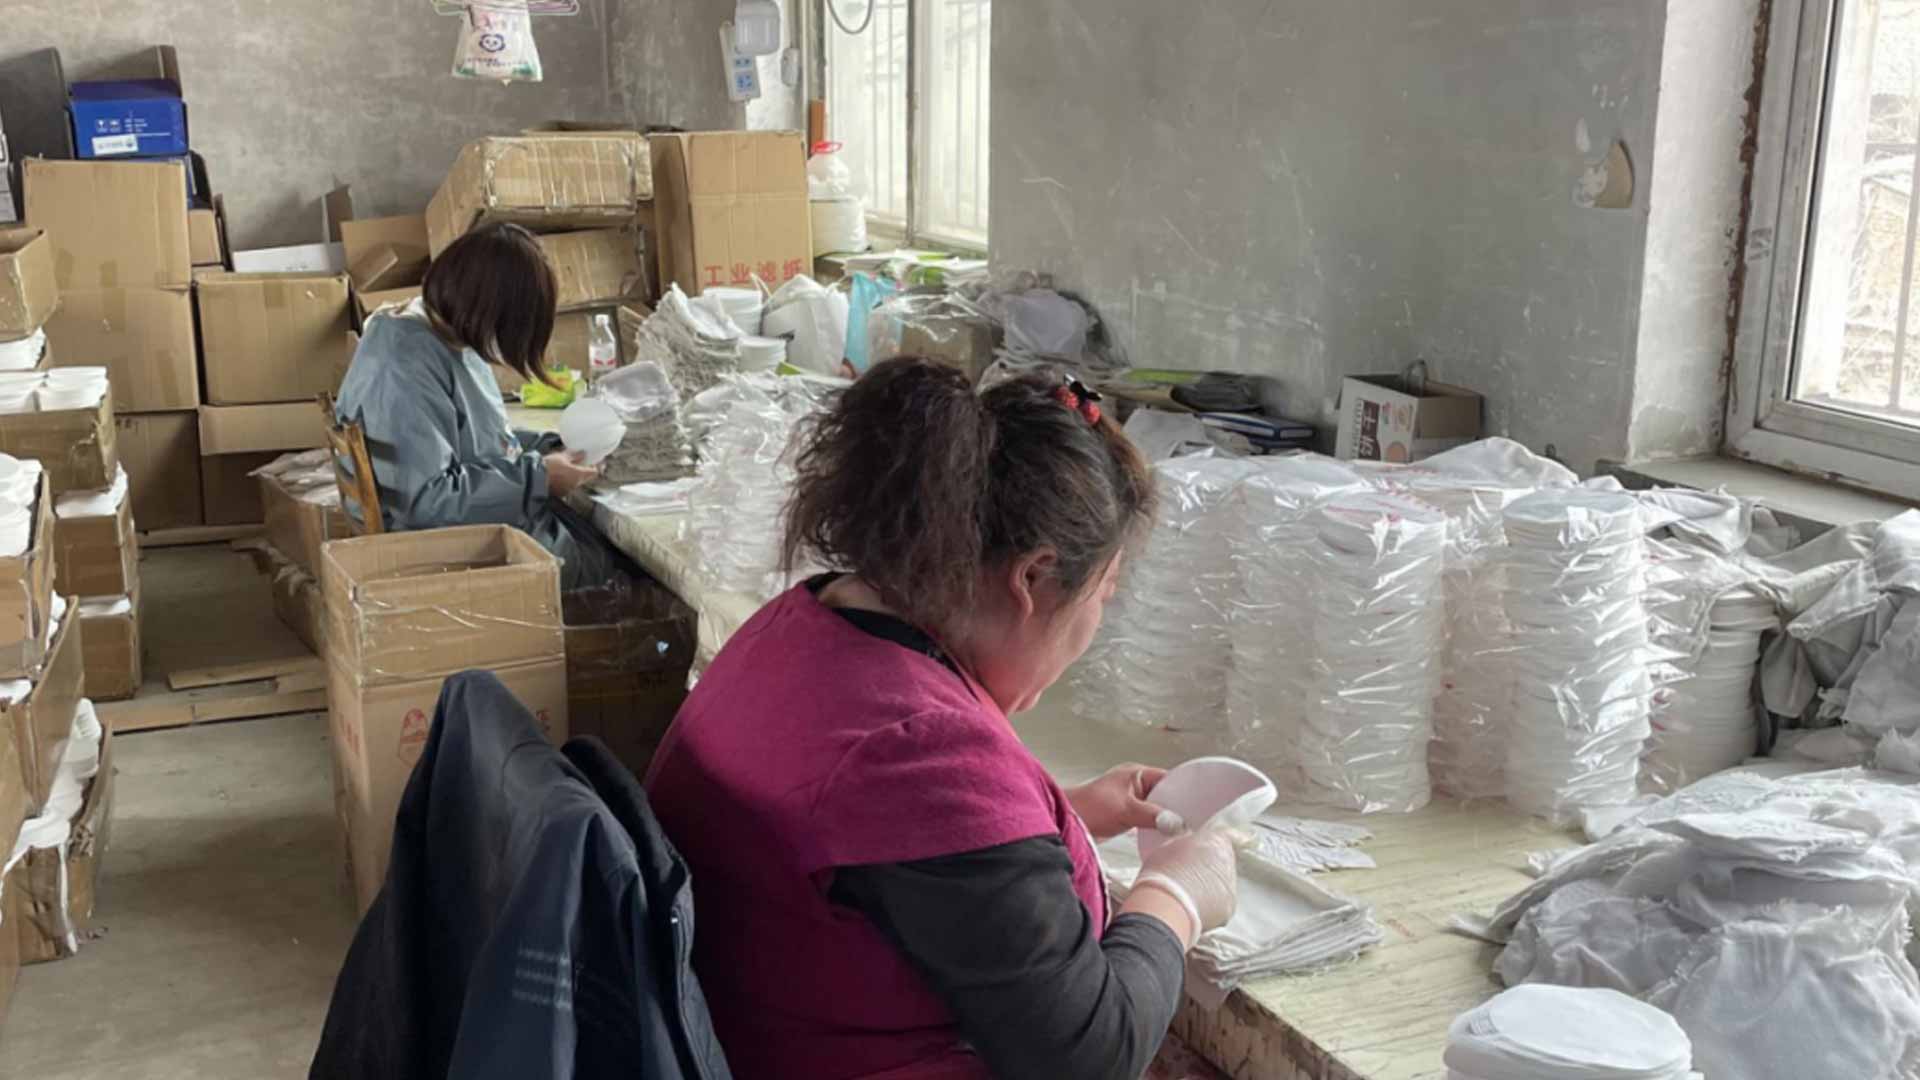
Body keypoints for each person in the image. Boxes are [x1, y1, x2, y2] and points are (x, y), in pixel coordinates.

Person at [646, 358, 1242, 1080]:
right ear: (1032, 578)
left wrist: (1057, 821)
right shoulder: (922, 753)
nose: (1096, 625)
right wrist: (1175, 896)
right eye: (1104, 594)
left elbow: (883, 851)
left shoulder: (801, 624)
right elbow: (1088, 1053)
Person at [332, 222, 606, 588]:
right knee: (608, 565)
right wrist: (539, 477)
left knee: (597, 541)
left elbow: (478, 439)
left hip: (463, 524)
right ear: (488, 313)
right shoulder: (406, 363)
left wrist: (551, 446)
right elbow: (428, 503)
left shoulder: (440, 330)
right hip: (440, 549)